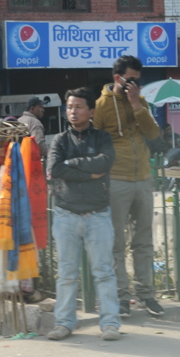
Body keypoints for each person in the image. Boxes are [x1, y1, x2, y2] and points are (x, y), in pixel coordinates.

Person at [45, 87, 121, 341]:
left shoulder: (102, 138)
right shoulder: (59, 140)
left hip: (98, 214)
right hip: (66, 213)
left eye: (78, 107)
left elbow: (105, 162)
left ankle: (110, 324)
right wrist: (88, 173)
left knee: (104, 271)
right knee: (67, 272)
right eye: (69, 107)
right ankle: (64, 323)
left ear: (91, 111)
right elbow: (54, 168)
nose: (73, 111)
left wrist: (71, 165)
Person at [93, 55, 164, 318]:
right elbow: (96, 143)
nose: (134, 85)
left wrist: (136, 104)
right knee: (116, 243)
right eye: (130, 80)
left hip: (143, 178)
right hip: (116, 180)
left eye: (138, 81)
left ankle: (146, 294)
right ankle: (122, 297)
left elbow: (153, 134)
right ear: (117, 78)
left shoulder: (141, 101)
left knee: (144, 241)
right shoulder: (101, 105)